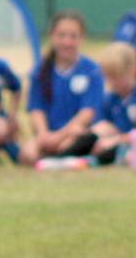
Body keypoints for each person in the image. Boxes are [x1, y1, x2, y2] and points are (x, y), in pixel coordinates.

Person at [18, 11, 103, 166]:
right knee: (28, 153)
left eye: (73, 36)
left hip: (75, 135)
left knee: (66, 148)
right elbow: (36, 108)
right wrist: (44, 135)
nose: (67, 42)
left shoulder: (91, 71)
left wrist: (59, 136)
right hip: (47, 135)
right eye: (61, 35)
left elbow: (87, 113)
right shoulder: (41, 71)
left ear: (82, 38)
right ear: (52, 36)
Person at [90, 42, 136, 164]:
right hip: (117, 143)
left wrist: (118, 139)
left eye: (116, 76)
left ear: (132, 69)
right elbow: (102, 125)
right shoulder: (109, 97)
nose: (112, 82)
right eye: (108, 77)